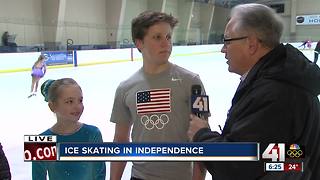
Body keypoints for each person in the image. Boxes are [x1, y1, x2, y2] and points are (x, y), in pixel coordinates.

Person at [188, 3, 320, 180]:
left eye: (227, 40)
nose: (222, 49)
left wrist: (201, 134)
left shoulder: (275, 94)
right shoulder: (274, 79)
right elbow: (268, 154)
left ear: (251, 44)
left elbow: (238, 165)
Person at [110, 11, 207, 180]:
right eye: (157, 37)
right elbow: (120, 140)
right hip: (139, 176)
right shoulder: (125, 88)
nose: (166, 43)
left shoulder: (193, 82)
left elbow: (202, 137)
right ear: (139, 43)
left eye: (168, 37)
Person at [32, 78, 106, 180]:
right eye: (70, 101)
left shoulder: (93, 134)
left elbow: (100, 174)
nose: (78, 106)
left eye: (80, 100)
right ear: (52, 106)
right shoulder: (40, 142)